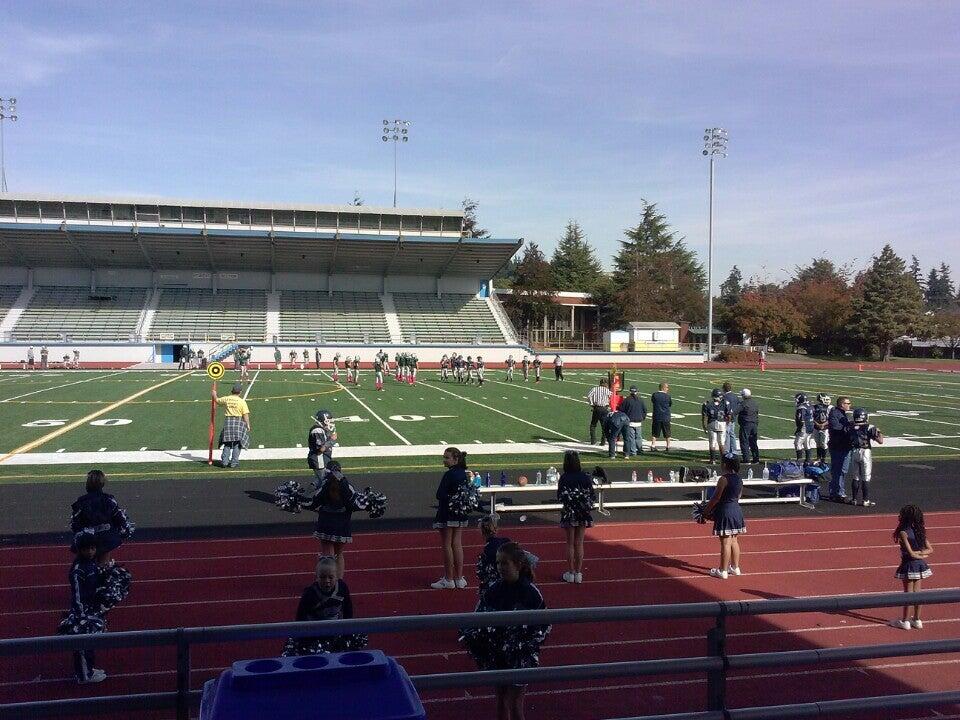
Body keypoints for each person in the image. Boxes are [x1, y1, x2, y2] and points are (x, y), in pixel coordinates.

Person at [469, 542, 548, 720]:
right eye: (498, 563)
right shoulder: (493, 590)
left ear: (518, 565)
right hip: (497, 654)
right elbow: (477, 617)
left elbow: (543, 625)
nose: (500, 567)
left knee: (515, 701)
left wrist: (520, 642)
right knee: (500, 699)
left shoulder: (531, 593)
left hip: (521, 655)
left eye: (505, 563)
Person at [303, 461, 355, 578]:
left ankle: (328, 581)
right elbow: (353, 504)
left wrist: (300, 501)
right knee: (339, 554)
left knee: (328, 556)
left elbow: (313, 502)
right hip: (342, 525)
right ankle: (339, 582)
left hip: (326, 524)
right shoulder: (348, 486)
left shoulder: (325, 486)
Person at [70, 469, 130, 566]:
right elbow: (120, 518)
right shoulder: (109, 500)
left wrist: (81, 535)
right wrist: (123, 532)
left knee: (87, 568)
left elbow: (74, 524)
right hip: (106, 539)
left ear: (87, 484)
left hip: (88, 540)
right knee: (103, 567)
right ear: (102, 484)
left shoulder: (81, 502)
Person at [69, 533, 106, 683]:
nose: (90, 552)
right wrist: (81, 615)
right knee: (82, 644)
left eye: (92, 548)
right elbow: (77, 595)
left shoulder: (91, 563)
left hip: (92, 609)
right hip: (82, 613)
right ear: (79, 550)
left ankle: (88, 669)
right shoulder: (78, 570)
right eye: (86, 549)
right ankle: (83, 676)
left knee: (91, 641)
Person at [432, 447, 471, 589]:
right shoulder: (463, 473)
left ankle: (448, 579)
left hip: (447, 513)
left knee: (447, 544)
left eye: (447, 457)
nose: (444, 460)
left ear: (456, 459)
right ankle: (459, 579)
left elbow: (439, 494)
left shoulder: (449, 475)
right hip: (460, 512)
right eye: (444, 457)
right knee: (457, 543)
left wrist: (449, 498)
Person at [702, 454, 746, 579]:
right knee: (734, 540)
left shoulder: (723, 479)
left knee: (725, 542)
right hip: (736, 511)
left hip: (725, 512)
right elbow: (738, 496)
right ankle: (735, 567)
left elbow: (716, 497)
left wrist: (706, 511)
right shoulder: (739, 478)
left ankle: (723, 570)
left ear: (725, 464)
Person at [890, 505, 933, 630]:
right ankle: (917, 619)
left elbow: (911, 553)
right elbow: (930, 549)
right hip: (920, 565)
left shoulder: (903, 532)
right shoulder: (919, 531)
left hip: (909, 565)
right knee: (917, 594)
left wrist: (917, 554)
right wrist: (922, 554)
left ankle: (905, 621)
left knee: (908, 594)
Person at [557, 450, 594, 583]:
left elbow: (560, 496)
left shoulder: (564, 478)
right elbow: (591, 495)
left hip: (569, 513)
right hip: (583, 513)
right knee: (579, 543)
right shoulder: (585, 477)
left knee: (570, 543)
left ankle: (571, 572)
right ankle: (578, 573)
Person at [848, 408, 883, 507]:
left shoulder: (850, 426)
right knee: (866, 477)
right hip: (865, 452)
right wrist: (880, 432)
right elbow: (880, 441)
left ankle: (854, 499)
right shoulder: (869, 427)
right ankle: (865, 500)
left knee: (855, 477)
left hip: (854, 452)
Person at [213, 383, 251, 468]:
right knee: (237, 444)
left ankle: (224, 462)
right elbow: (245, 415)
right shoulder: (242, 402)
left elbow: (217, 400)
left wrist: (214, 394)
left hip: (228, 422)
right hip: (238, 422)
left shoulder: (227, 399)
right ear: (240, 392)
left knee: (227, 443)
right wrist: (248, 424)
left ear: (232, 391)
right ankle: (234, 463)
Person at [477, 514, 511, 594]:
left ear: (482, 532)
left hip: (499, 581)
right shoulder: (506, 540)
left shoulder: (488, 548)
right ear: (496, 529)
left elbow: (492, 569)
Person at [827, 396, 853, 502]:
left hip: (841, 446)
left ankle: (835, 492)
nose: (850, 405)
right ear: (842, 404)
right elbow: (836, 428)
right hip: (838, 446)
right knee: (839, 470)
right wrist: (849, 426)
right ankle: (838, 493)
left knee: (840, 470)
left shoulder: (840, 413)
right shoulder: (835, 413)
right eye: (848, 403)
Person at [307, 410, 337, 488]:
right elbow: (321, 449)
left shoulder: (320, 429)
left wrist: (328, 435)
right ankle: (321, 499)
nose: (330, 422)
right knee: (326, 483)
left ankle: (305, 495)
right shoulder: (317, 430)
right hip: (319, 459)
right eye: (328, 420)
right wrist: (332, 441)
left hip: (321, 459)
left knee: (318, 481)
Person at [618, 386, 647, 457]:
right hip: (639, 421)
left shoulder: (627, 400)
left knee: (631, 438)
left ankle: (633, 451)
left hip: (630, 421)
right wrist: (642, 418)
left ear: (630, 391)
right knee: (638, 437)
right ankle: (640, 450)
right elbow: (645, 410)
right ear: (637, 391)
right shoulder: (640, 400)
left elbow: (621, 410)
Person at [701, 389, 728, 464]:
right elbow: (729, 415)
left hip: (712, 423)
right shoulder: (725, 403)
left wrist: (704, 426)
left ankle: (712, 460)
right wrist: (727, 423)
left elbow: (705, 417)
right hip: (722, 423)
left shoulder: (707, 404)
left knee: (712, 442)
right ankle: (723, 460)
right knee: (721, 443)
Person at [587, 377, 612, 446]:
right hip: (604, 409)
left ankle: (593, 441)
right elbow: (612, 397)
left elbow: (589, 396)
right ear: (606, 384)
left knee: (593, 424)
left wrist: (591, 403)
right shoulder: (607, 390)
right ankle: (603, 442)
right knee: (604, 426)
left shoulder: (594, 389)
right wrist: (609, 403)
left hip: (597, 408)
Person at [738, 389, 761, 465]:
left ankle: (746, 459)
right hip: (754, 424)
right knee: (753, 442)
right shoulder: (755, 403)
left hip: (746, 424)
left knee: (744, 441)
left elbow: (735, 411)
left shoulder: (743, 403)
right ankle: (756, 458)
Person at [650, 382, 672, 452]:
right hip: (665, 417)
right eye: (667, 387)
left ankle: (653, 445)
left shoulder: (655, 395)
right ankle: (668, 446)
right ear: (663, 388)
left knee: (655, 432)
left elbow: (653, 401)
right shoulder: (667, 396)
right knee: (667, 433)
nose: (668, 389)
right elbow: (670, 404)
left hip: (657, 416)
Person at [794, 393, 815, 463]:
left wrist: (799, 429)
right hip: (810, 426)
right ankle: (808, 460)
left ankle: (799, 460)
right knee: (807, 443)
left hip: (804, 427)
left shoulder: (802, 408)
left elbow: (801, 419)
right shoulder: (810, 406)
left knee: (797, 443)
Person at [722, 382, 740, 456]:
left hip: (727, 418)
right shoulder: (735, 396)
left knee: (727, 434)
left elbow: (724, 408)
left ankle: (727, 450)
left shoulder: (725, 397)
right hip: (733, 417)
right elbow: (738, 406)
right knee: (732, 434)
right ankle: (734, 450)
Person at [812, 394, 831, 464]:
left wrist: (823, 424)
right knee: (818, 443)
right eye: (825, 399)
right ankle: (818, 457)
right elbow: (812, 417)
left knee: (823, 443)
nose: (827, 401)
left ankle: (823, 459)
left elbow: (831, 418)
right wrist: (817, 424)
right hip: (817, 427)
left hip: (825, 428)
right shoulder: (815, 407)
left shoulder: (829, 408)